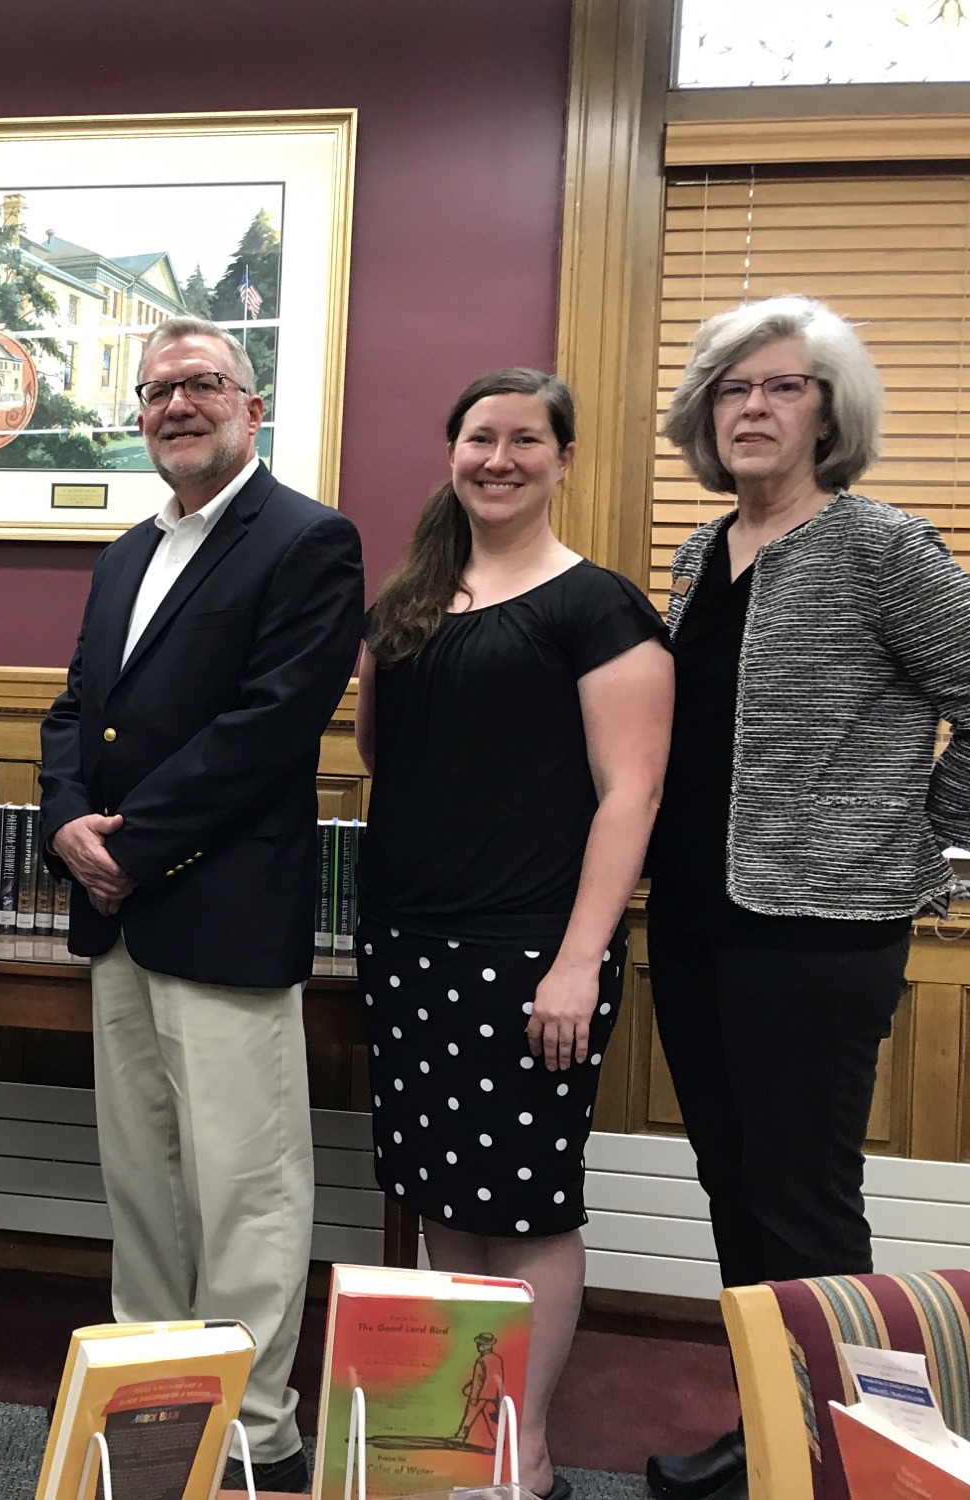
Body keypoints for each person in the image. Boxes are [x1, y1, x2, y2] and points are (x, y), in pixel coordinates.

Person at [643, 296, 970, 1500]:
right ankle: (769, 1433)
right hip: (689, 921)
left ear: (829, 411)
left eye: (780, 387)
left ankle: (847, 1462)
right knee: (730, 1186)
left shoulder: (879, 546)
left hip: (819, 931)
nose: (751, 408)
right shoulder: (697, 552)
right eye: (731, 388)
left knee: (806, 1204)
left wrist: (923, 844)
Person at [39, 315, 364, 1494]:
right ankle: (151, 1404)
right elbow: (77, 708)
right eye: (155, 391)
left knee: (244, 1189)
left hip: (219, 911)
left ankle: (251, 1432)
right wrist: (65, 820)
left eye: (200, 385)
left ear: (250, 405)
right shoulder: (126, 551)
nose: (175, 405)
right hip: (117, 913)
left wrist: (137, 847)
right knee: (144, 1184)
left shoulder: (307, 540)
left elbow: (272, 727)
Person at [355, 368, 672, 1500]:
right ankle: (460, 1433)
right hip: (406, 947)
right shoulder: (404, 606)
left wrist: (577, 961)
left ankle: (523, 1455)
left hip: (532, 955)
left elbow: (628, 796)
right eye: (478, 438)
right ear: (451, 452)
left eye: (523, 440)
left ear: (561, 459)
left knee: (527, 1197)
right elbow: (382, 761)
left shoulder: (598, 607)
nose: (498, 458)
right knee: (442, 1192)